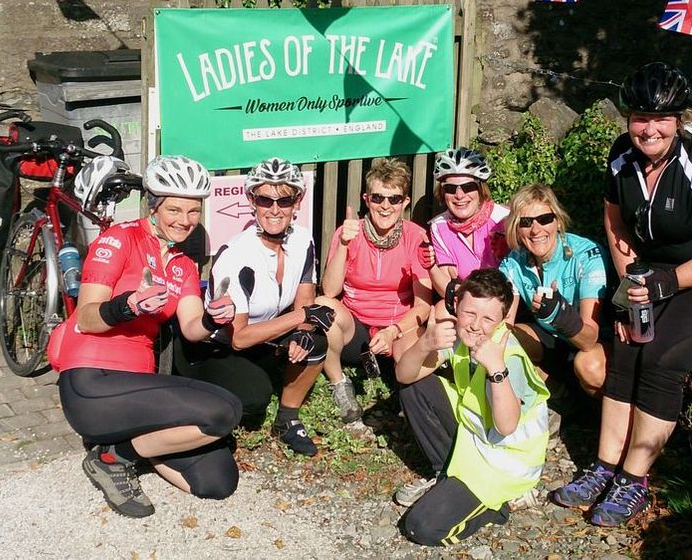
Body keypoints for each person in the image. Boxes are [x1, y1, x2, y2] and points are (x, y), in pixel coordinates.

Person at [552, 62, 692, 526]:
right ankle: (605, 466)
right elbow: (615, 223)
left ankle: (634, 480)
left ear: (680, 119)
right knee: (626, 348)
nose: (649, 129)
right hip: (656, 272)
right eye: (640, 118)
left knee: (662, 359)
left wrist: (666, 284)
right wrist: (632, 287)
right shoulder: (622, 156)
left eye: (661, 119)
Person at [46, 155, 242, 518]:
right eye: (174, 209)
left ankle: (123, 447)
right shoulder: (120, 239)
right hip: (92, 379)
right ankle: (112, 459)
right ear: (153, 205)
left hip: (139, 388)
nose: (185, 220)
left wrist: (213, 318)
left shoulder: (183, 265)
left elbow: (191, 328)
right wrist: (128, 305)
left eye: (193, 211)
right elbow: (87, 318)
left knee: (218, 481)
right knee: (224, 411)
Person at [173, 157, 342, 457]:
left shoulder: (303, 240)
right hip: (216, 347)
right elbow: (238, 338)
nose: (275, 209)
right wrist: (302, 317)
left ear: (297, 202)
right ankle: (194, 392)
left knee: (315, 340)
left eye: (284, 200)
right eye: (265, 200)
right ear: (252, 201)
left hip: (262, 339)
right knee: (254, 398)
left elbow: (304, 299)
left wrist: (303, 330)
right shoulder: (237, 255)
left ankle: (287, 419)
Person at [395, 268, 549, 546]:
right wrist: (424, 344)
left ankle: (498, 507)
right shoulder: (460, 336)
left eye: (488, 318)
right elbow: (404, 376)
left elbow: (507, 425)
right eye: (469, 313)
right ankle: (444, 473)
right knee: (416, 386)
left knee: (421, 527)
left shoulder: (507, 355)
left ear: (502, 320)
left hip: (504, 464)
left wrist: (496, 369)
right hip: (475, 439)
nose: (476, 325)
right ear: (456, 306)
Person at [316, 158, 432, 419]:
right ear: (366, 199)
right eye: (378, 198)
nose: (385, 206)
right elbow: (330, 291)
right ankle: (339, 383)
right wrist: (343, 244)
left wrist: (393, 331)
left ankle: (409, 398)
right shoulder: (349, 232)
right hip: (356, 329)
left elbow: (423, 305)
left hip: (398, 327)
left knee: (413, 352)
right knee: (322, 306)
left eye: (394, 199)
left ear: (405, 202)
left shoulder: (415, 236)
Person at [497, 183, 611, 396]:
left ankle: (603, 412)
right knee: (505, 339)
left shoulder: (586, 255)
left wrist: (559, 314)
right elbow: (504, 324)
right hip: (552, 339)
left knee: (588, 365)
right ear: (516, 229)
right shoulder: (513, 262)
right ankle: (559, 396)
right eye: (526, 222)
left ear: (557, 221)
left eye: (544, 219)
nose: (536, 230)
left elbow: (589, 339)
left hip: (594, 342)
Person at [422, 147, 509, 294]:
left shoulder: (504, 219)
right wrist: (431, 267)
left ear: (481, 189)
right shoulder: (439, 227)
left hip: (507, 297)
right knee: (441, 308)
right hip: (465, 299)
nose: (459, 195)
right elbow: (447, 286)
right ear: (443, 192)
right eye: (450, 188)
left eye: (468, 187)